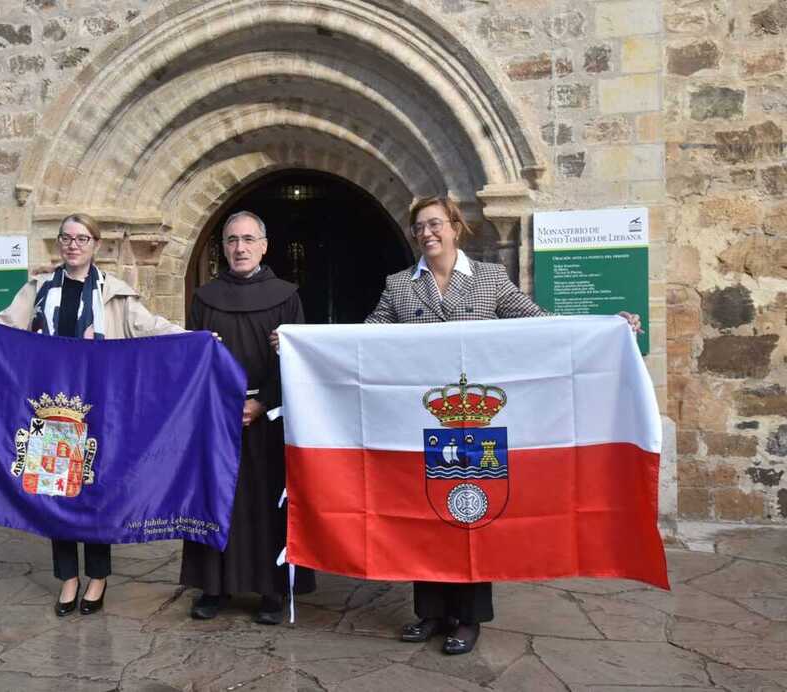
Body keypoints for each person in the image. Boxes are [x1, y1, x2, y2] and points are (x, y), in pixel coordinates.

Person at [364, 195, 641, 655]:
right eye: (419, 227)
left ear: (455, 227)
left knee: (471, 514)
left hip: (477, 424)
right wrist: (303, 341)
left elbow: (542, 325)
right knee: (427, 514)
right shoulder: (399, 287)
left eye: (435, 224)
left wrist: (606, 326)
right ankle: (430, 612)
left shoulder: (491, 279)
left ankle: (467, 618)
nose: (426, 233)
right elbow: (365, 338)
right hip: (421, 422)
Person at [0, 212, 183, 617]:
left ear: (95, 244)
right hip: (53, 407)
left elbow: (149, 329)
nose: (73, 244)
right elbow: (2, 327)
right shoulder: (40, 289)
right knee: (55, 489)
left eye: (82, 238)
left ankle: (97, 577)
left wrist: (195, 338)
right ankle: (68, 577)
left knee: (96, 492)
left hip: (100, 407)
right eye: (66, 238)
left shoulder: (113, 293)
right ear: (59, 243)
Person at [179, 211, 315, 624]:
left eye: (248, 239)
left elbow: (300, 360)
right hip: (218, 417)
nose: (240, 247)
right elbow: (191, 360)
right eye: (232, 240)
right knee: (217, 499)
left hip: (269, 416)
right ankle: (213, 588)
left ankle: (271, 590)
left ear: (264, 246)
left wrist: (263, 402)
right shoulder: (205, 297)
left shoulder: (286, 295)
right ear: (223, 247)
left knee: (264, 502)